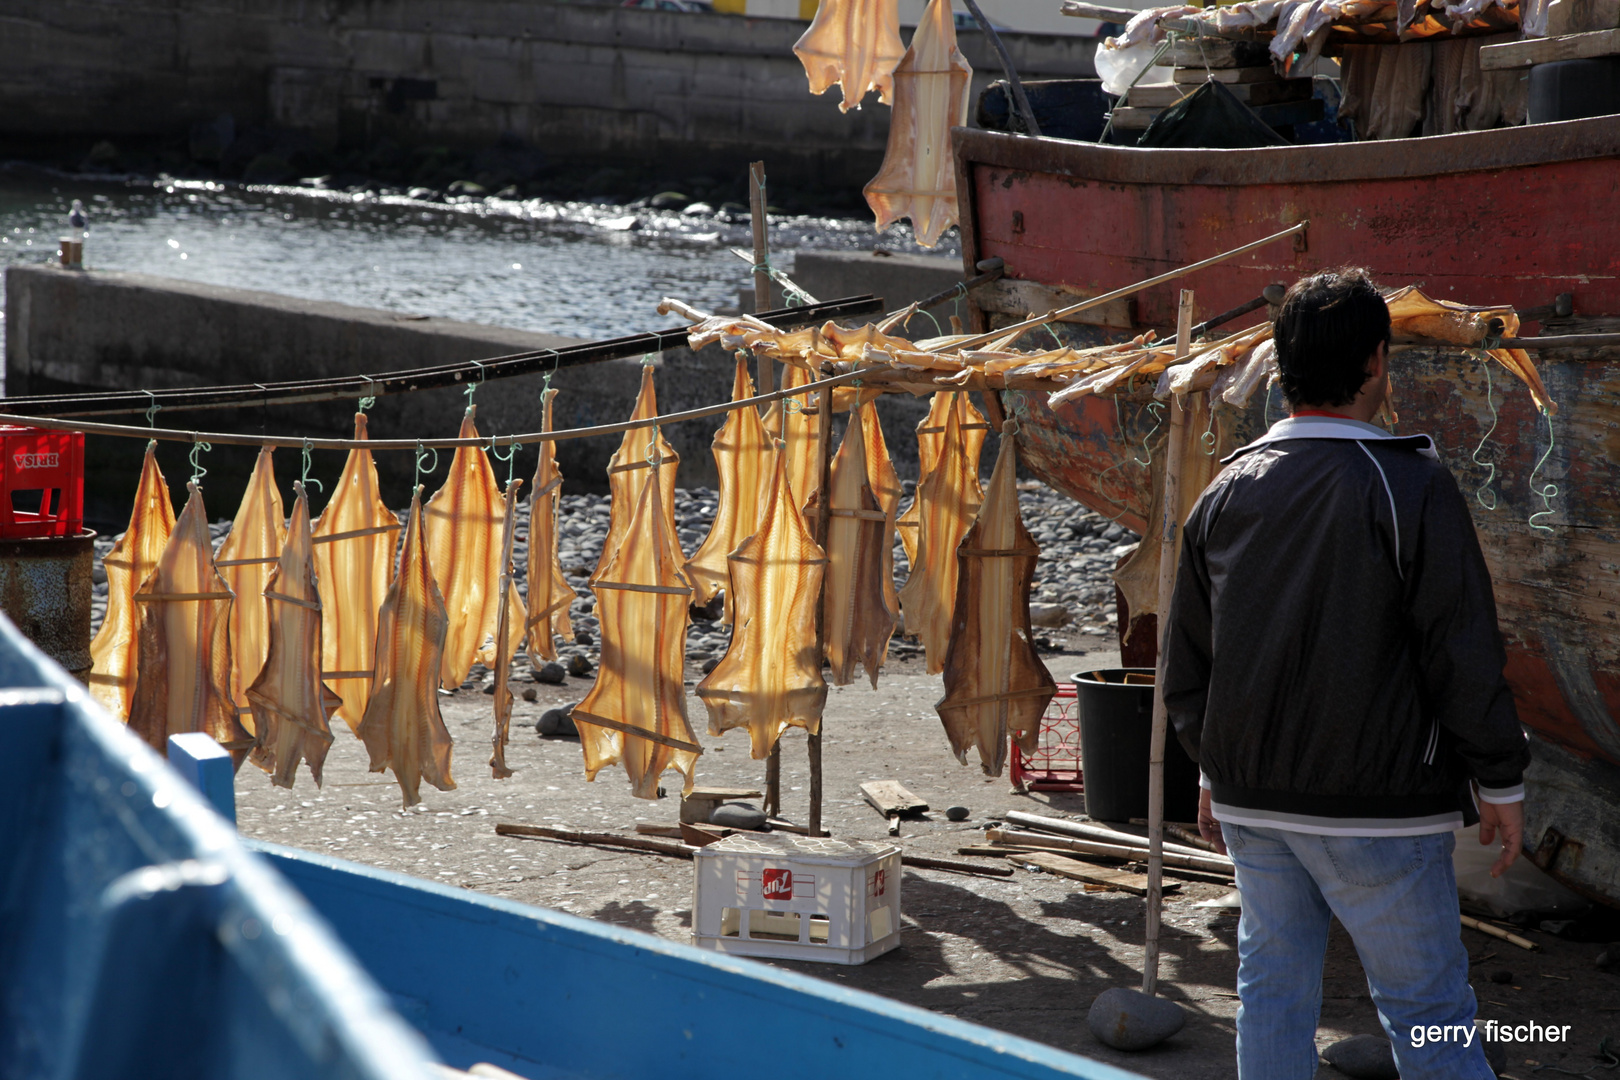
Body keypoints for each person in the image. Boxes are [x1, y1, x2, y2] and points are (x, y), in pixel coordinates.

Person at [1161, 268, 1531, 1080]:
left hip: (1254, 800)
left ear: (1281, 366)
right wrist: (1500, 782)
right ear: (1376, 362)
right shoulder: (1411, 482)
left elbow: (1189, 660)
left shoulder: (1226, 489)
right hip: (1381, 809)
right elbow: (1460, 648)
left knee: (1272, 991)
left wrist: (1213, 771)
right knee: (1429, 1013)